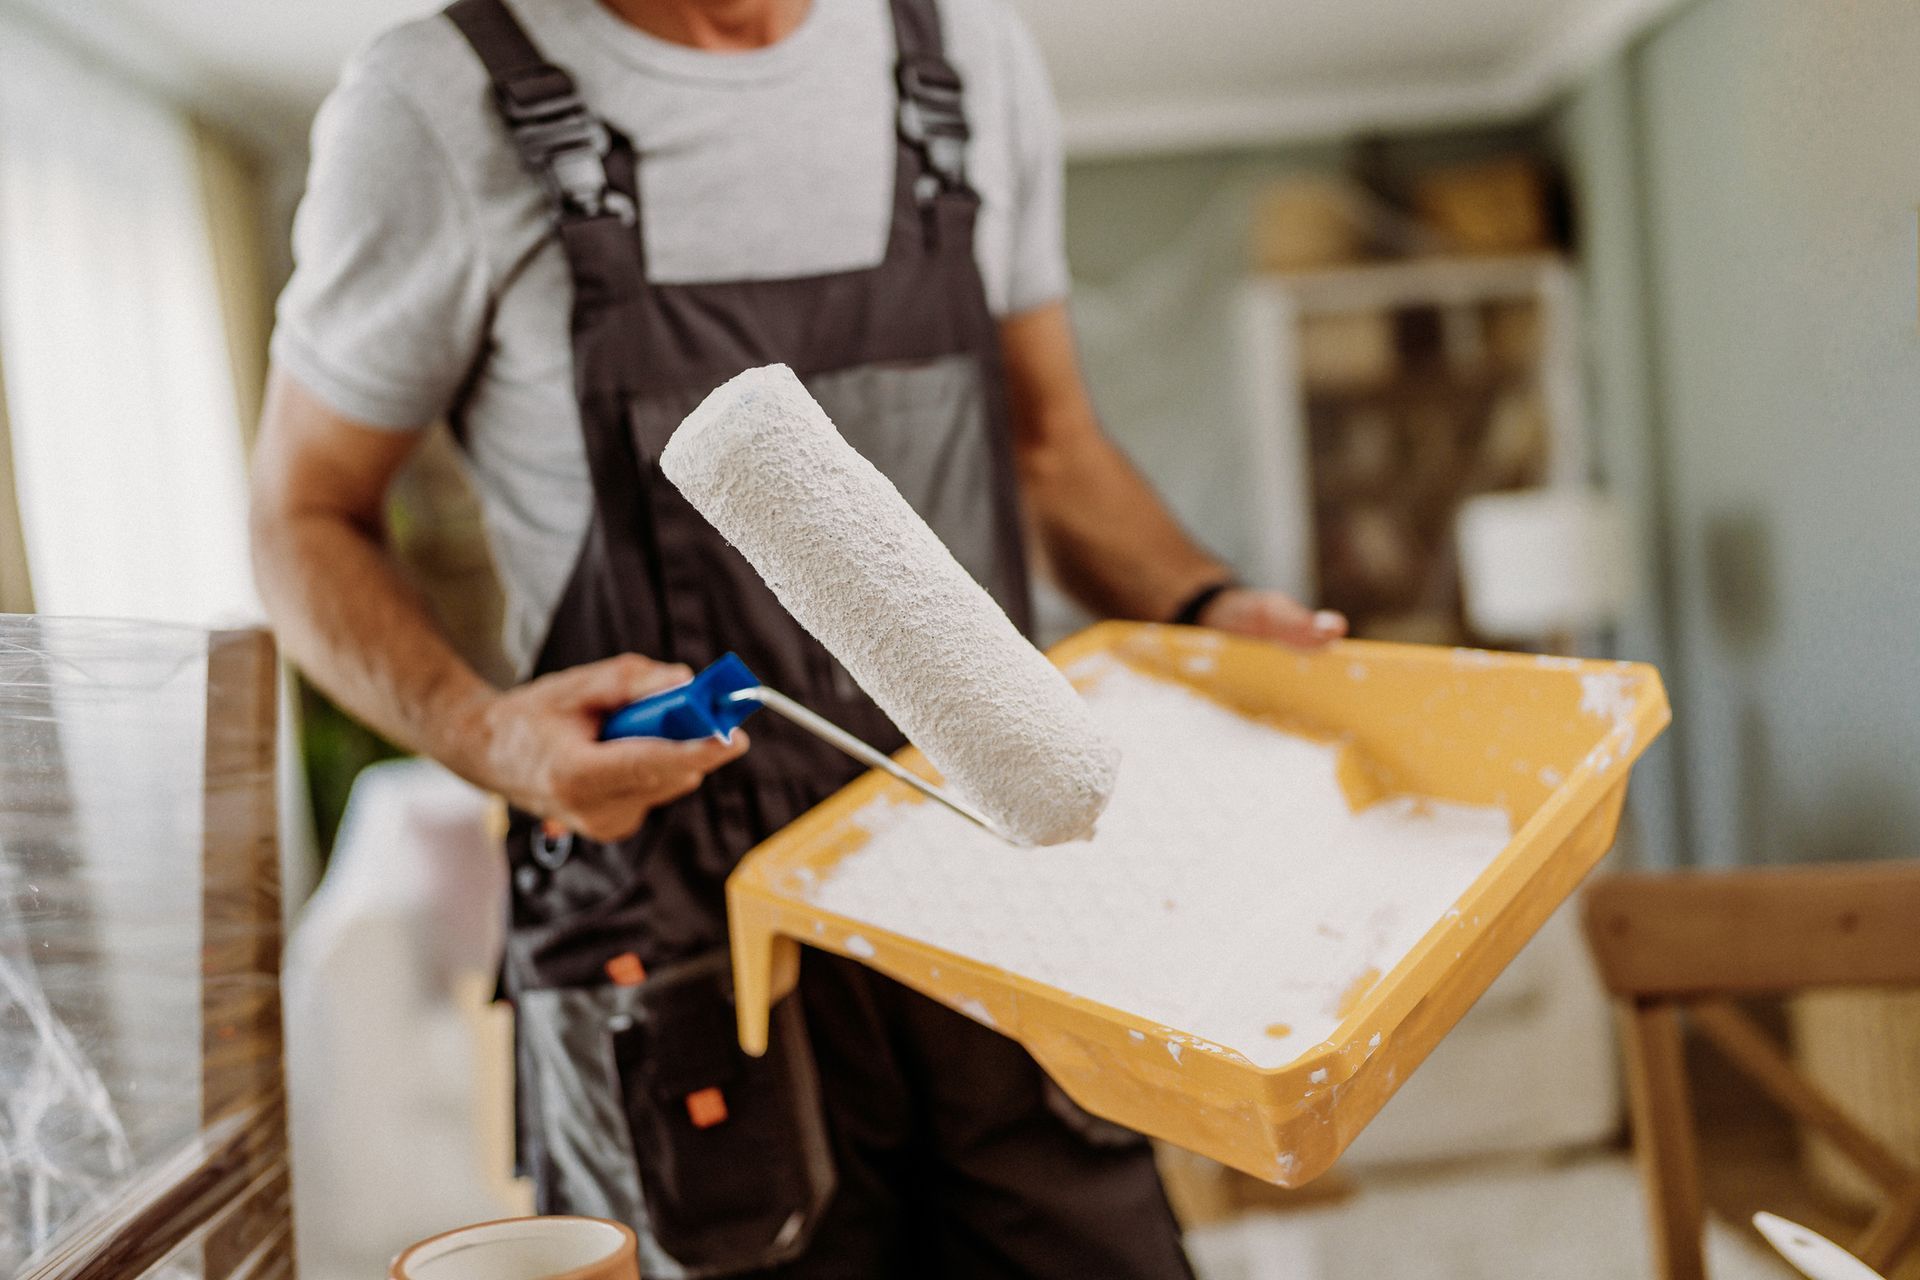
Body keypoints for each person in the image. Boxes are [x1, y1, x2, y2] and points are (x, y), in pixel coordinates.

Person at [250, 0, 1347, 1273]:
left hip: (989, 882)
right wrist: (487, 733)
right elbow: (299, 511)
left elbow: (1051, 448)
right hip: (683, 937)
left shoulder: (968, 60)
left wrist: (1209, 602)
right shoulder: (435, 102)